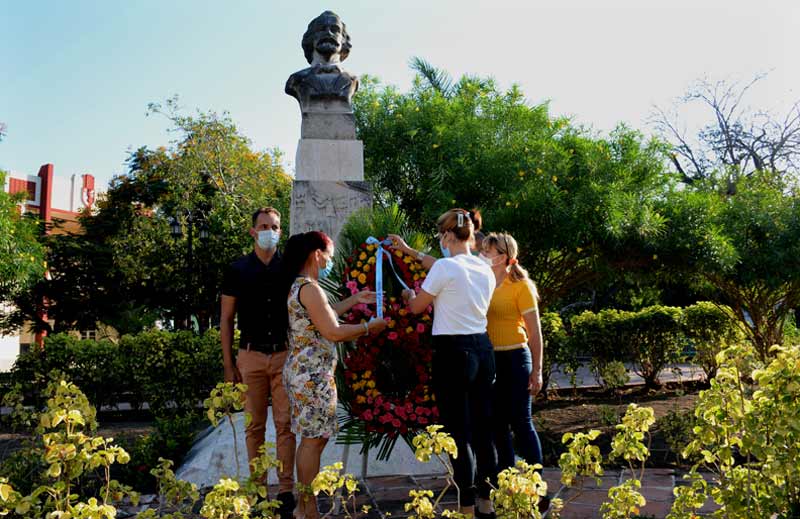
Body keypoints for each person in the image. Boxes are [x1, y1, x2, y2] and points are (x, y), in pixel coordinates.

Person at [399, 209, 498, 519]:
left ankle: (466, 508)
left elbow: (417, 306)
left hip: (453, 352)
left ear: (447, 236)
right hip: (483, 348)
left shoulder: (444, 266)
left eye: (440, 236)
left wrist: (406, 294)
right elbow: (449, 273)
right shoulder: (484, 267)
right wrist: (409, 251)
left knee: (459, 434)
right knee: (484, 430)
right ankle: (486, 502)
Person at [281, 231, 387, 519]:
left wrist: (354, 300)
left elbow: (324, 315)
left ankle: (304, 505)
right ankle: (307, 507)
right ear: (316, 254)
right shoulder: (310, 288)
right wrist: (368, 327)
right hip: (311, 375)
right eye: (328, 253)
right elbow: (332, 330)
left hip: (306, 372)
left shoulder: (302, 287)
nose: (329, 259)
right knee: (313, 440)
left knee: (313, 439)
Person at [220, 207, 295, 519]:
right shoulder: (237, 269)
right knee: (253, 426)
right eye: (263, 226)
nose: (269, 230)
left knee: (285, 426)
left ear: (280, 231)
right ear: (252, 231)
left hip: (283, 355)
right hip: (249, 357)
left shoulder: (289, 269)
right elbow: (225, 320)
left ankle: (286, 492)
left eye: (274, 226)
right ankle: (258, 490)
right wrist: (228, 366)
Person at [480, 232, 548, 513]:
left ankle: (537, 491)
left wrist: (538, 371)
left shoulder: (522, 286)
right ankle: (507, 489)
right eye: (483, 249)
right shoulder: (480, 282)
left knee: (521, 422)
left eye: (490, 250)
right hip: (489, 361)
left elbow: (535, 333)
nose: (485, 254)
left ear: (506, 256)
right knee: (497, 427)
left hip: (516, 359)